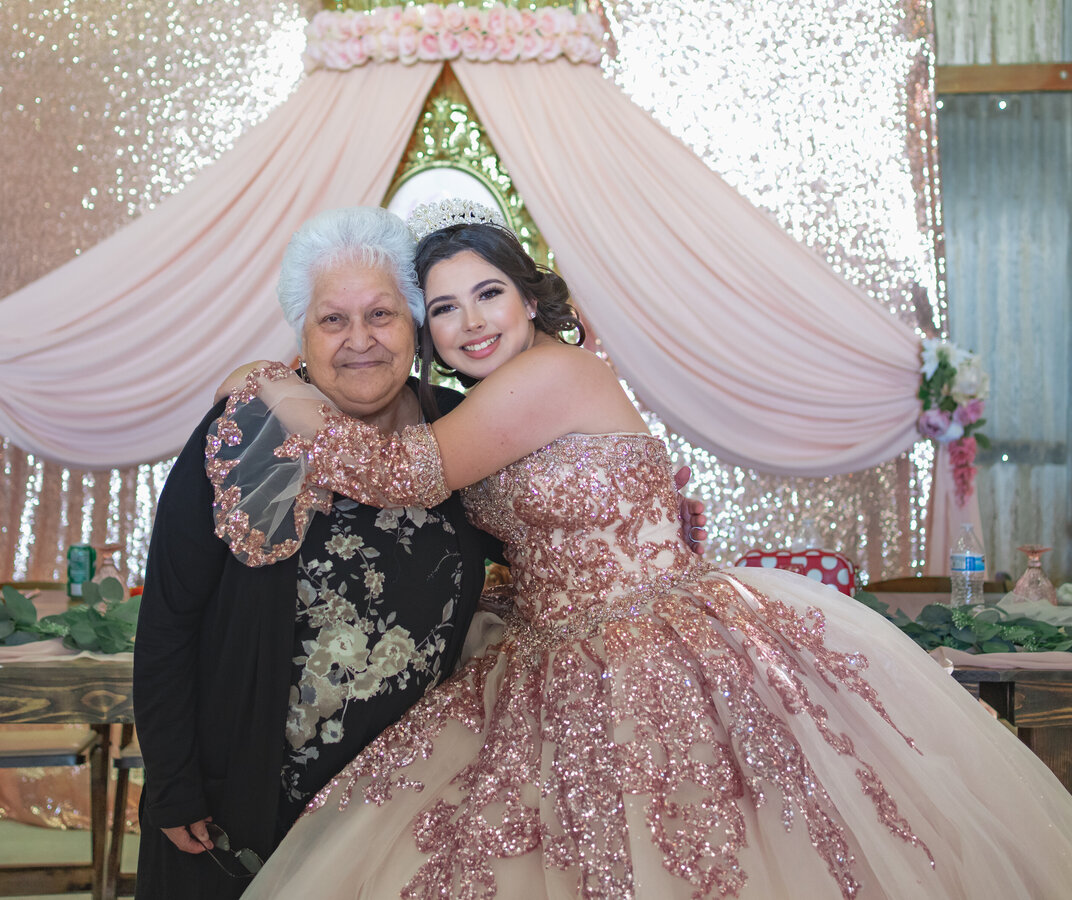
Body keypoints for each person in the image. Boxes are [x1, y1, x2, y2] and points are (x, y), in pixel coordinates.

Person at [216, 202, 1072, 899]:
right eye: (442, 308)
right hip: (551, 651)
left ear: (528, 299)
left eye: (487, 295)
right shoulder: (489, 397)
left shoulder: (556, 372)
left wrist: (276, 391)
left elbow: (405, 475)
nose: (469, 322)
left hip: (656, 647)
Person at [134, 204, 711, 898]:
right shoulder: (248, 433)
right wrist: (172, 779)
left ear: (412, 330)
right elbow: (170, 617)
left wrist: (269, 381)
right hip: (251, 785)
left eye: (381, 315)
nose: (359, 341)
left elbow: (494, 525)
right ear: (303, 334)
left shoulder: (456, 427)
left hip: (417, 791)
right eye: (332, 320)